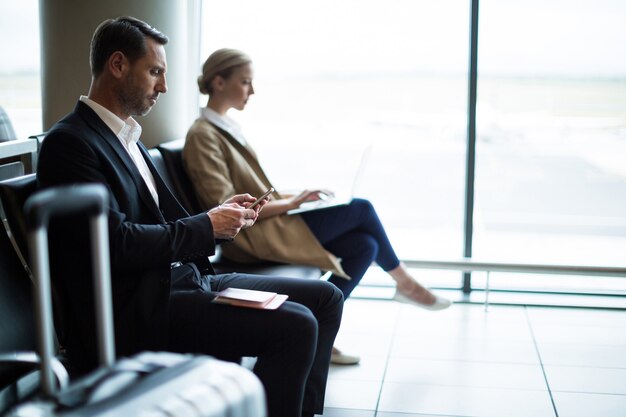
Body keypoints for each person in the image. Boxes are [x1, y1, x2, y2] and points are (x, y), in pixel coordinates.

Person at [36, 17, 343, 417]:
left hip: (184, 279)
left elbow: (160, 222)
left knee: (325, 298)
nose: (163, 86)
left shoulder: (126, 136)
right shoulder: (70, 143)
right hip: (144, 304)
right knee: (297, 324)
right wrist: (206, 226)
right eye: (155, 72)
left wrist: (219, 217)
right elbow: (114, 243)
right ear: (117, 65)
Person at [183, 48, 453, 366]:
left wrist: (298, 196)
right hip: (250, 237)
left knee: (363, 246)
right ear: (218, 82)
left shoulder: (224, 128)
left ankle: (322, 333)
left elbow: (252, 191)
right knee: (361, 209)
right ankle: (405, 283)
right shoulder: (203, 135)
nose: (251, 91)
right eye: (245, 82)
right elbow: (225, 206)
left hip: (269, 224)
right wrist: (290, 204)